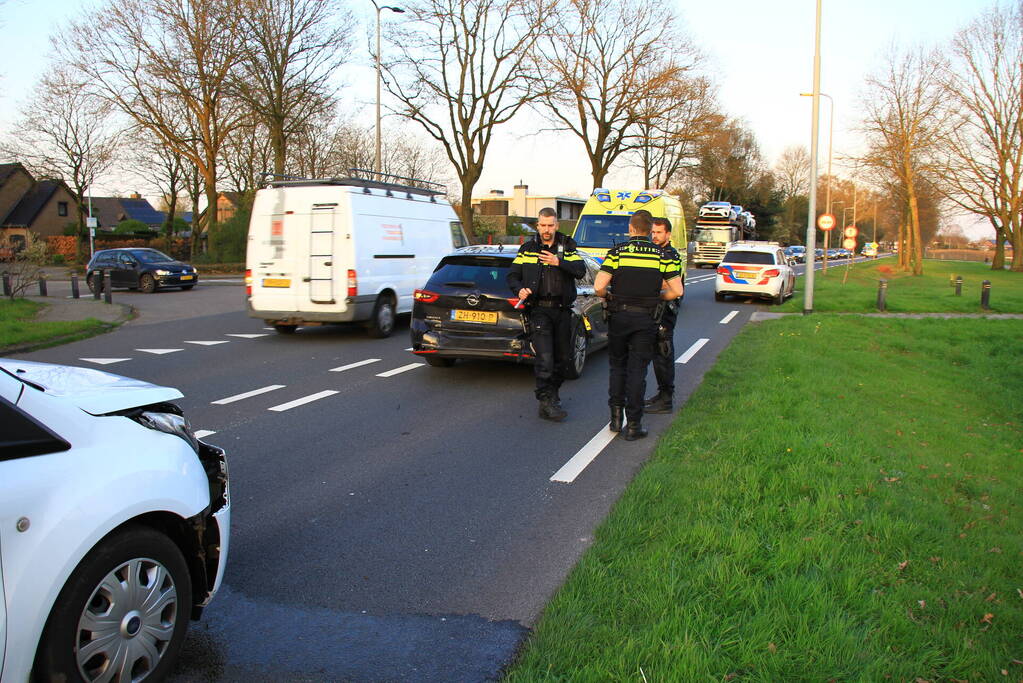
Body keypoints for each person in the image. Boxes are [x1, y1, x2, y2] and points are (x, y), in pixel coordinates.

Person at [594, 209, 683, 440]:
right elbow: (677, 291)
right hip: (646, 320)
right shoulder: (661, 255)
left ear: (631, 229)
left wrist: (610, 296)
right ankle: (634, 425)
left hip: (619, 317)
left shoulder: (617, 252)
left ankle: (615, 419)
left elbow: (598, 286)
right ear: (648, 229)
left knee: (617, 368)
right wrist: (657, 297)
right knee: (637, 371)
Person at [507, 207, 586, 421]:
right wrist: (519, 289)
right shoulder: (527, 248)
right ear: (538, 225)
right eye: (543, 225)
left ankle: (552, 396)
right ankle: (546, 400)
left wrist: (558, 262)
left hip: (561, 310)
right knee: (545, 357)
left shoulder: (567, 246)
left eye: (551, 225)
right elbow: (512, 276)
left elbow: (580, 270)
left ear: (557, 225)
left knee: (562, 358)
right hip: (539, 310)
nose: (547, 230)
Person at [645, 216, 683, 414]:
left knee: (663, 353)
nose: (655, 236)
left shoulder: (671, 255)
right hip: (654, 309)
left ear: (668, 234)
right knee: (657, 356)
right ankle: (661, 394)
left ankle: (666, 399)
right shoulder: (653, 252)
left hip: (666, 311)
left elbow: (669, 284)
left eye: (659, 232)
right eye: (652, 232)